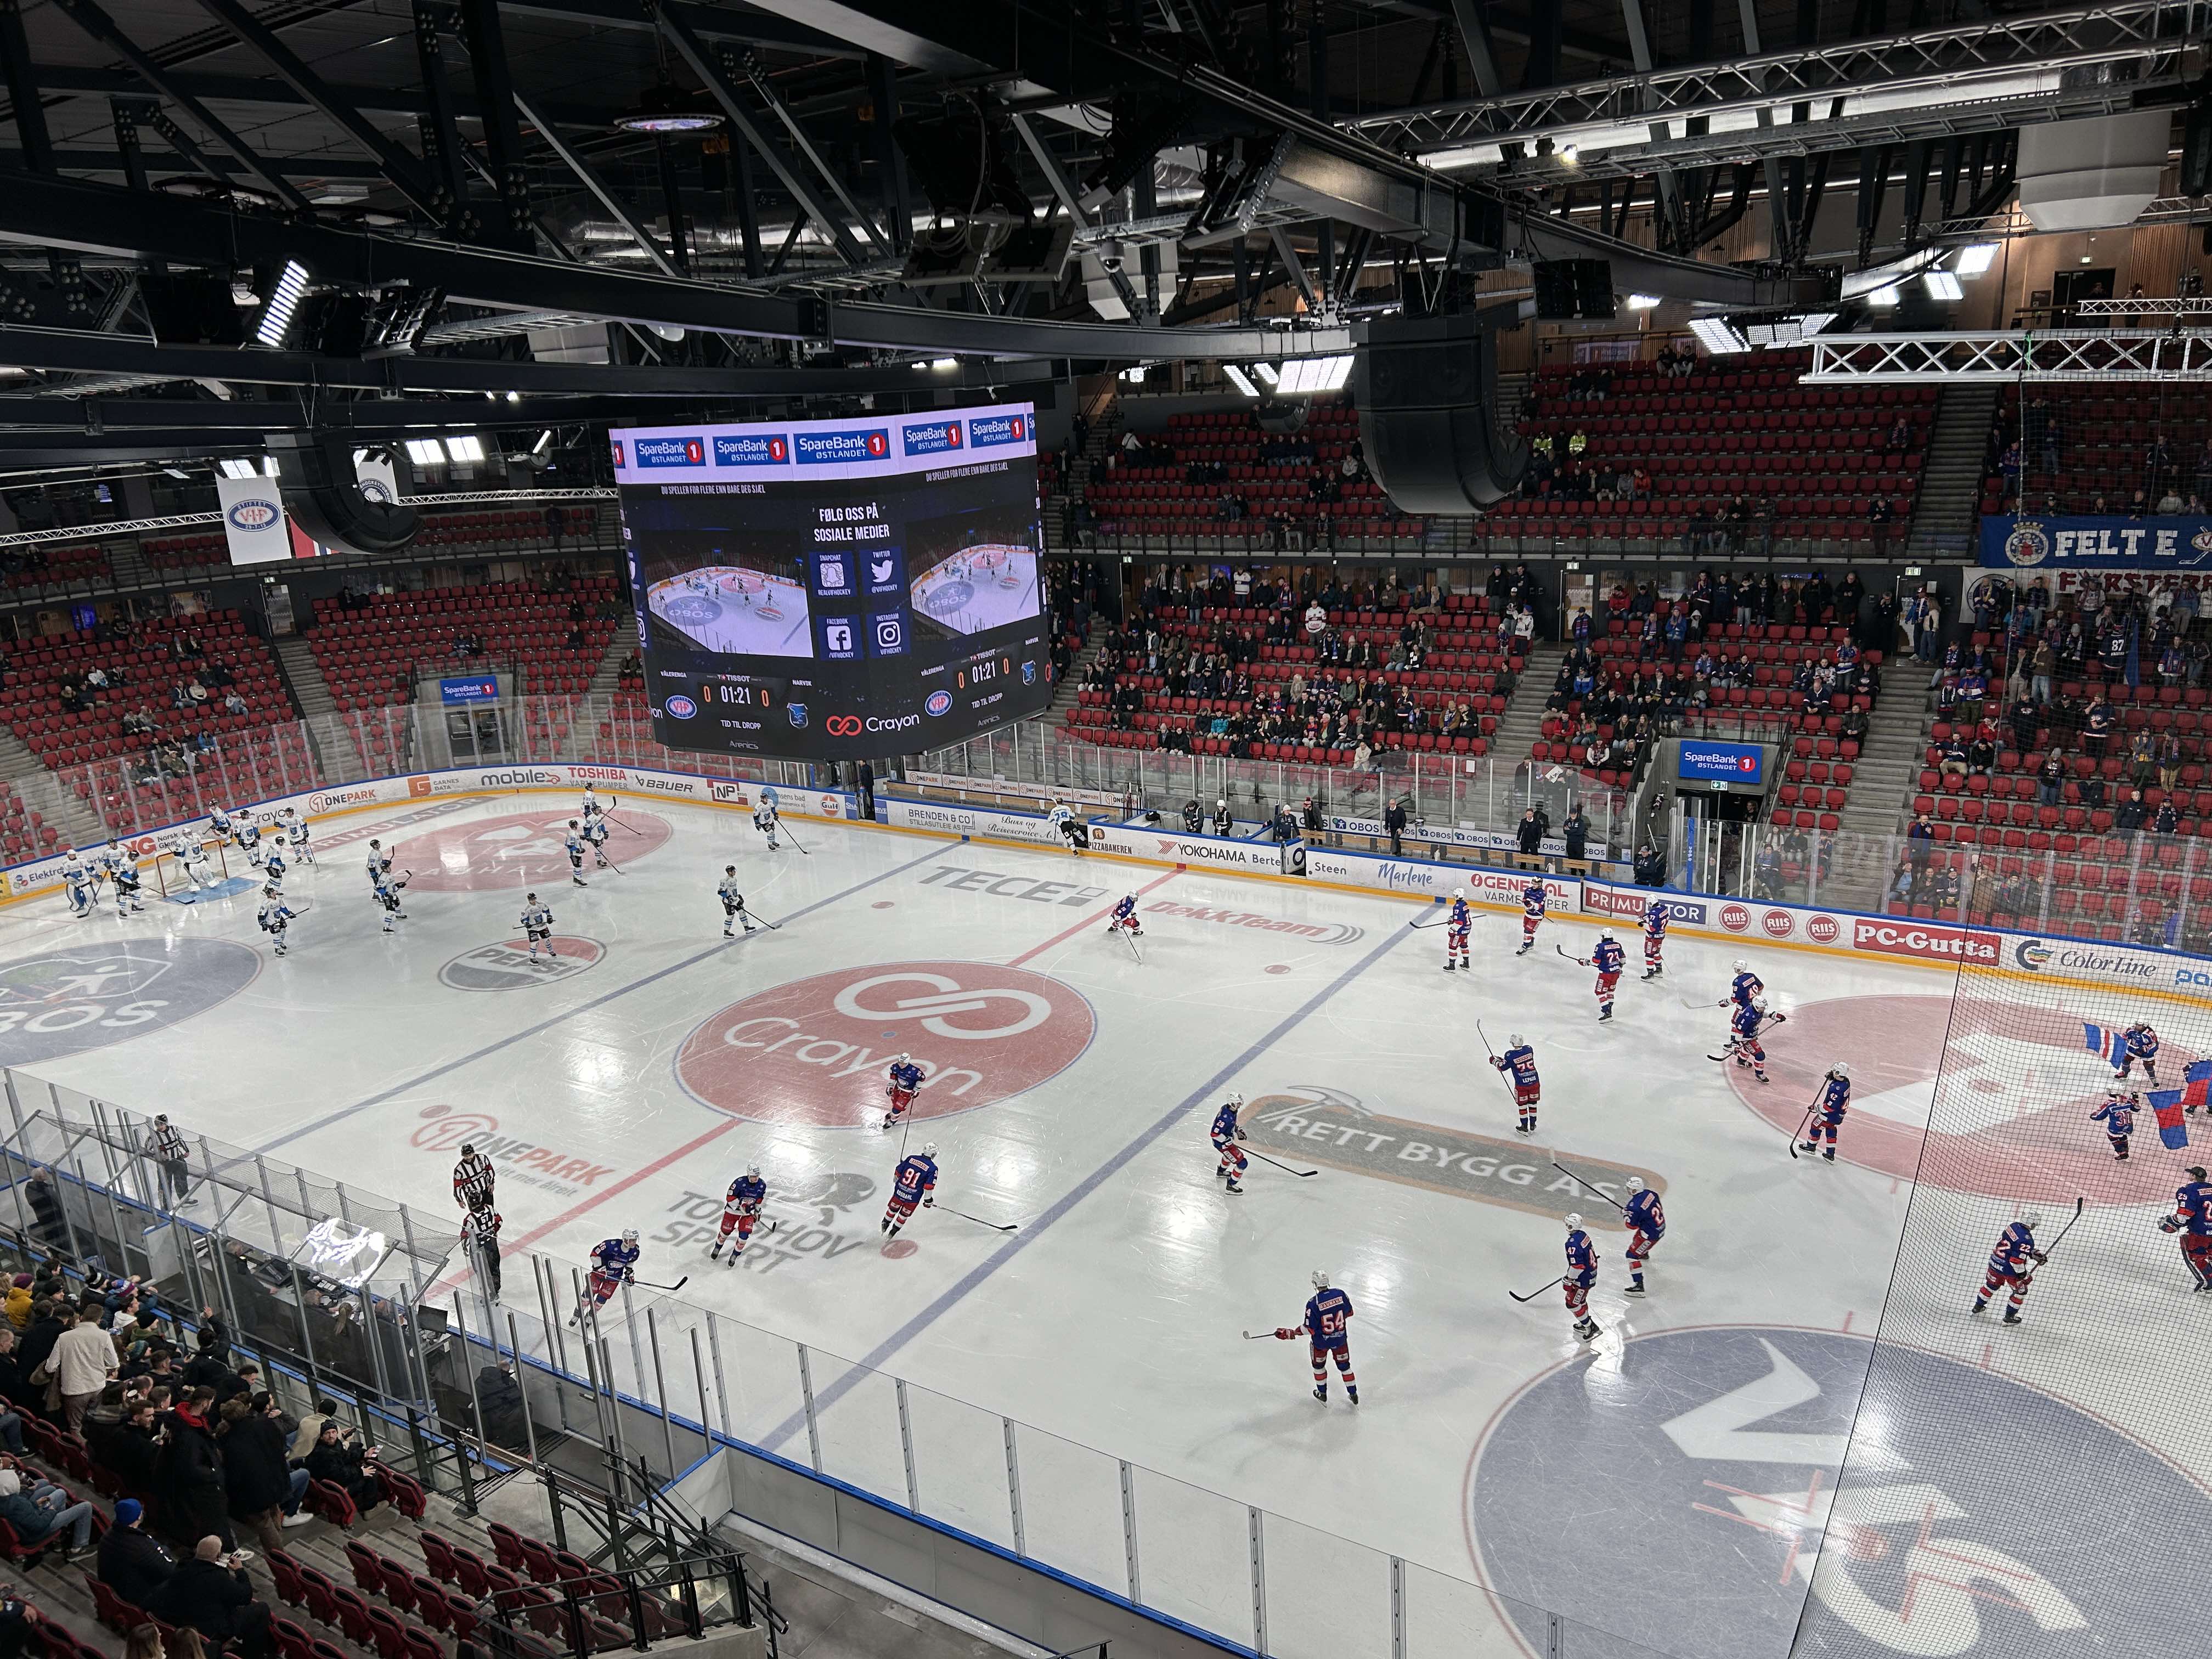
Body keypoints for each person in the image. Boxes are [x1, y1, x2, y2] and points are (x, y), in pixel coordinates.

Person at [220, 1393, 309, 1554]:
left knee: (264, 1524)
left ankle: (278, 1557)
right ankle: (279, 1541)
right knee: (274, 1510)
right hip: (277, 1480)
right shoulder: (264, 1425)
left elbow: (233, 1473)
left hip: (255, 1491)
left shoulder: (228, 1442)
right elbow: (280, 1446)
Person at [159, 1536, 274, 1659]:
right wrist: (240, 1571)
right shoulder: (218, 1578)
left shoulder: (182, 1567)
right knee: (262, 1609)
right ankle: (253, 1655)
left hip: (183, 1622)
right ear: (218, 1555)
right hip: (210, 1630)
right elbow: (246, 1596)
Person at [154, 1388, 232, 1551]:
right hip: (197, 1488)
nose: (212, 1405)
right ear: (204, 1402)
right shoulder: (188, 1434)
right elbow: (191, 1466)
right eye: (211, 1402)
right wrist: (214, 1474)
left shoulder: (182, 1420)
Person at [1269, 1271, 1357, 1403]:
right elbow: (1349, 1313)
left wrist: (1292, 1333)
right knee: (1345, 1367)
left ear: (1315, 1284)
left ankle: (1322, 1394)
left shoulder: (1313, 1303)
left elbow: (1309, 1328)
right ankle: (1354, 1394)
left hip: (1320, 1344)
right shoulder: (1340, 1293)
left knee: (1318, 1367)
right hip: (1340, 1341)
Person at [98, 1499, 177, 1611]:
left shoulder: (108, 1535)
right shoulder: (141, 1546)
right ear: (138, 1517)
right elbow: (169, 1570)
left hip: (116, 1587)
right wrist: (164, 1551)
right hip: (136, 1597)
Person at [0, 1468, 93, 1561]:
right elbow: (39, 1525)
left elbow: (23, 1512)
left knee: (61, 1493)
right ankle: (78, 1549)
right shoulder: (19, 1504)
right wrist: (52, 1511)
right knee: (86, 1507)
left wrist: (37, 1504)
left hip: (28, 1526)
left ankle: (59, 1540)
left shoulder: (7, 1501)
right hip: (39, 1532)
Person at [50, 1306, 117, 1431]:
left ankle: (81, 1450)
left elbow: (50, 1367)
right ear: (98, 1321)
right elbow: (113, 1363)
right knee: (97, 1425)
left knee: (76, 1428)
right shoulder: (104, 1336)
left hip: (74, 1390)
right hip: (98, 1387)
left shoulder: (64, 1337)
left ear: (81, 1318)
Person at [1971, 1212, 2045, 1325]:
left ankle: (1978, 1306)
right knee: (2021, 1291)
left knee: (1991, 1285)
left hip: (1995, 1262)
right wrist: (2025, 1276)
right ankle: (2010, 1317)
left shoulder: (2013, 1226)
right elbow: (2016, 1261)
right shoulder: (2027, 1240)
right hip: (2009, 1270)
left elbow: (2015, 1246)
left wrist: (2034, 1253)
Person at [303, 1420, 382, 1516]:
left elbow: (345, 1456)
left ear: (337, 1433)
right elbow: (339, 1475)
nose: (331, 1436)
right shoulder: (323, 1453)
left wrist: (364, 1454)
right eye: (327, 1433)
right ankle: (370, 1509)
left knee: (360, 1464)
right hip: (336, 1488)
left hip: (334, 1481)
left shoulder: (334, 1444)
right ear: (322, 1436)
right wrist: (361, 1472)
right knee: (372, 1475)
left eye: (333, 1432)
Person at [2158, 1166, 2212, 1292]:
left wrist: (2173, 1222)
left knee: (2196, 1255)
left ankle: (2209, 1283)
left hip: (2200, 1232)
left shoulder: (2189, 1190)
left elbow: (2184, 1214)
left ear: (2193, 1176)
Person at [710, 1167, 771, 1265]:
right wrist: (741, 1204)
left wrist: (757, 1211)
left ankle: (734, 1255)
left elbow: (759, 1199)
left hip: (747, 1214)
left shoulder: (762, 1185)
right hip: (732, 1211)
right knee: (725, 1232)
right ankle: (717, 1248)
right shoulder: (739, 1183)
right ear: (748, 1175)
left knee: (744, 1235)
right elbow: (730, 1198)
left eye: (757, 1176)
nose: (755, 1179)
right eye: (753, 1176)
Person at [881, 1143, 938, 1238]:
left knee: (892, 1210)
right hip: (913, 1198)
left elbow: (897, 1173)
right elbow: (928, 1186)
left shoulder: (911, 1158)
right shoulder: (933, 1168)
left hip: (899, 1192)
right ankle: (891, 1234)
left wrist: (897, 1183)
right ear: (933, 1154)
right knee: (903, 1216)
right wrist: (928, 1201)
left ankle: (884, 1227)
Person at [1490, 1034, 1541, 1136]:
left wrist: (1494, 1061)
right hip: (1534, 1082)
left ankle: (1524, 1127)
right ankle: (1533, 1124)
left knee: (1522, 1106)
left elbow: (1502, 1067)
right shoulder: (1529, 1049)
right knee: (1533, 1103)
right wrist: (1503, 1060)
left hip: (1522, 1085)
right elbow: (1516, 1060)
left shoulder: (1510, 1055)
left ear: (1513, 1043)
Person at [1562, 1215, 1600, 1342]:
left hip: (1582, 1280)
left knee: (1572, 1303)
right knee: (1581, 1301)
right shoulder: (1584, 1235)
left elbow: (1577, 1267)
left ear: (1571, 1226)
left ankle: (1590, 1327)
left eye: (1567, 1224)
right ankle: (1585, 1322)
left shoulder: (1571, 1244)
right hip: (1590, 1273)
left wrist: (1569, 1279)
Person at [1799, 1064, 1850, 1161]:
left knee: (1815, 1125)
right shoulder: (1846, 1082)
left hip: (1830, 1115)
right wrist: (1832, 1077)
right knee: (1831, 1130)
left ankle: (1811, 1146)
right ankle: (1830, 1154)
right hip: (1839, 1115)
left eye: (1835, 1071)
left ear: (1838, 1073)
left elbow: (1829, 1107)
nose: (1833, 1071)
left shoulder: (1836, 1089)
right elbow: (1839, 1080)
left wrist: (1816, 1108)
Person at [2090, 1089, 2137, 1163]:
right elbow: (2137, 1109)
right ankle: (2125, 1149)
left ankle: (2122, 1153)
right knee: (2123, 1135)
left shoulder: (2109, 1104)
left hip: (2116, 1128)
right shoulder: (2127, 1100)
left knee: (2111, 1136)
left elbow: (2100, 1116)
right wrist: (2135, 1099)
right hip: (2128, 1126)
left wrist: (2093, 1116)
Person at [881, 1053, 925, 1129]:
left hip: (907, 1092)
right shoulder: (895, 1067)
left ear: (907, 1063)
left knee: (897, 1108)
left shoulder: (914, 1071)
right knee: (894, 1103)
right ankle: (893, 1113)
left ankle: (893, 1120)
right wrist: (890, 1086)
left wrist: (917, 1089)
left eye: (903, 1063)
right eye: (900, 1062)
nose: (901, 1065)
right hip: (897, 1088)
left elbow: (922, 1079)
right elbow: (893, 1077)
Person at [1515, 879, 1545, 956]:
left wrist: (1533, 906)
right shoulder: (1528, 890)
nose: (1534, 885)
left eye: (1536, 884)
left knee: (1528, 931)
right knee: (1525, 927)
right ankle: (1531, 942)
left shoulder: (1542, 893)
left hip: (1537, 916)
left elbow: (1540, 905)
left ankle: (1525, 946)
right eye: (1533, 883)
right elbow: (1525, 899)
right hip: (1528, 914)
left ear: (1540, 884)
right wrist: (1527, 905)